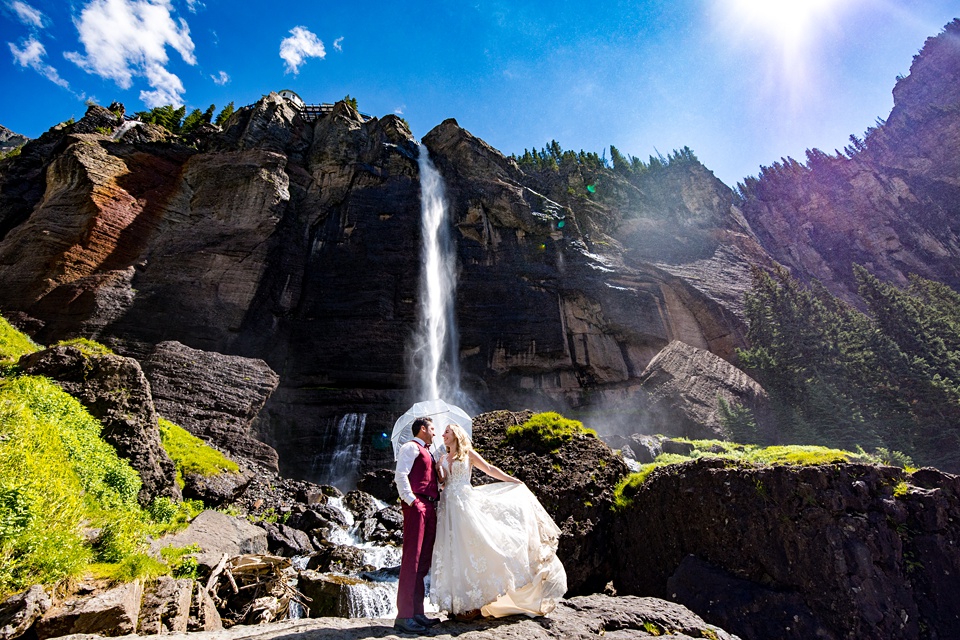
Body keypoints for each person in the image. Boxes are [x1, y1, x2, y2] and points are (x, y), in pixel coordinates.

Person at [430, 423, 567, 620]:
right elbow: (442, 484)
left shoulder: (468, 453)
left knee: (474, 548)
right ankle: (458, 603)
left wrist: (511, 480)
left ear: (456, 435)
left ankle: (476, 603)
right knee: (453, 551)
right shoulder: (441, 457)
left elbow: (489, 469)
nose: (443, 435)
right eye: (442, 432)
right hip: (447, 507)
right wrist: (439, 471)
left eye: (447, 432)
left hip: (465, 504)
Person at [393, 416, 442, 634]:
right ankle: (404, 615)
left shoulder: (430, 452)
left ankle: (417, 612)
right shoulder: (410, 447)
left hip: (430, 505)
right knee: (412, 559)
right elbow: (401, 476)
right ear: (422, 429)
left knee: (423, 562)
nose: (435, 432)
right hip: (418, 504)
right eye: (432, 428)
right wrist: (412, 501)